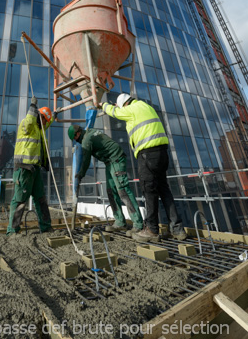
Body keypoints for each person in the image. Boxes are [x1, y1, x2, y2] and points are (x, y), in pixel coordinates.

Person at [101, 93, 187, 242]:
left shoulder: (131, 109)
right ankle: (178, 229)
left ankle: (152, 230)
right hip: (162, 153)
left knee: (149, 191)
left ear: (124, 104)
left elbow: (115, 113)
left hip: (147, 154)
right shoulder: (146, 107)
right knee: (164, 190)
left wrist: (102, 105)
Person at [67, 125, 143, 235]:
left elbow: (86, 161)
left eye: (74, 138)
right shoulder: (90, 132)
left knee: (123, 190)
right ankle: (120, 222)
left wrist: (80, 175)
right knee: (110, 191)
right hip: (110, 161)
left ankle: (138, 224)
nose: (75, 141)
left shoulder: (86, 140)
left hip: (116, 158)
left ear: (77, 134)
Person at [6, 97, 55, 236]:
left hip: (35, 170)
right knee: (20, 199)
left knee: (41, 199)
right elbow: (29, 121)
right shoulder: (27, 125)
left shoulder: (39, 129)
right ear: (39, 116)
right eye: (44, 119)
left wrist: (54, 115)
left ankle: (45, 227)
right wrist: (33, 106)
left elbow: (47, 123)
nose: (45, 123)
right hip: (24, 169)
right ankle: (13, 230)